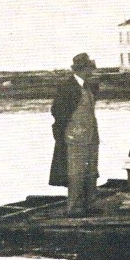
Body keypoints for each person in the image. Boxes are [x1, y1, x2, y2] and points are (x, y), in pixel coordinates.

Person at [49, 53, 100, 217]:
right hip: (75, 138)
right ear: (81, 70)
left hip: (92, 137)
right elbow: (57, 112)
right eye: (89, 69)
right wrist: (67, 133)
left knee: (91, 171)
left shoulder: (88, 86)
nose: (91, 72)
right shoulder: (67, 87)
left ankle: (89, 204)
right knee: (76, 173)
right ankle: (74, 208)